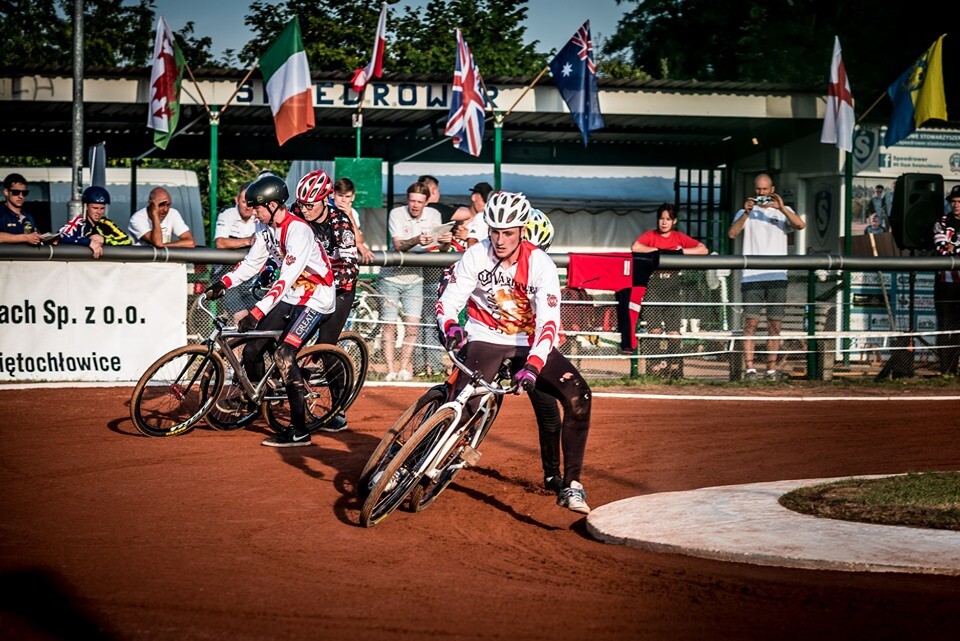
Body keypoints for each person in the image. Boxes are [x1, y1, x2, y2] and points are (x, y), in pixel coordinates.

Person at [436, 192, 592, 514]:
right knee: (462, 403)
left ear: (523, 231)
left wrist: (534, 366)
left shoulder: (540, 264)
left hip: (529, 341)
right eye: (495, 231)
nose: (500, 239)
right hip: (485, 336)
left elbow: (549, 324)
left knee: (576, 397)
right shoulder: (477, 254)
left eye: (508, 232)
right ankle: (414, 458)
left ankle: (568, 484)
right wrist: (451, 325)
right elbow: (448, 299)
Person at [203, 174, 337, 448]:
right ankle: (254, 395)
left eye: (257, 207)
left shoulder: (299, 230)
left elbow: (286, 277)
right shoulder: (265, 229)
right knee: (253, 349)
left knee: (284, 354)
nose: (253, 212)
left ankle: (299, 431)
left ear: (274, 205)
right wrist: (223, 283)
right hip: (292, 295)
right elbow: (252, 264)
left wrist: (256, 310)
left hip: (316, 296)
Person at [292, 169, 359, 431]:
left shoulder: (340, 223)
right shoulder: (296, 213)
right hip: (305, 284)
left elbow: (351, 267)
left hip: (339, 288)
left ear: (324, 200)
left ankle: (337, 410)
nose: (304, 209)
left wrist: (325, 281)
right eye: (301, 203)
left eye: (309, 204)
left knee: (326, 347)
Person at [727, 173, 805, 381]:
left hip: (777, 275)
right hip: (752, 275)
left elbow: (800, 225)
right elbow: (732, 233)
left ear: (772, 190)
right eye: (758, 190)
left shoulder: (782, 212)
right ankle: (750, 368)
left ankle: (771, 369)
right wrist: (746, 212)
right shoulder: (745, 212)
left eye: (764, 189)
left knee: (775, 324)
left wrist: (781, 207)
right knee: (750, 323)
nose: (761, 194)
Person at [380, 181, 450, 382]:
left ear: (427, 202)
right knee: (389, 325)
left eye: (419, 201)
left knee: (413, 326)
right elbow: (399, 245)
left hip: (415, 277)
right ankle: (390, 370)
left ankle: (404, 369)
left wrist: (445, 242)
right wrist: (417, 239)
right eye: (412, 200)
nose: (415, 205)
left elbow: (441, 249)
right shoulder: (396, 213)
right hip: (391, 276)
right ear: (408, 199)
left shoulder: (434, 216)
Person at [632, 203, 709, 377]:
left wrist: (681, 253)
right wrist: (659, 251)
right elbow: (636, 247)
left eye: (668, 219)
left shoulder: (678, 237)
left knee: (674, 331)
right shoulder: (651, 235)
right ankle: (654, 367)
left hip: (673, 285)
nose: (664, 223)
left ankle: (675, 366)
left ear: (674, 221)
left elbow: (703, 249)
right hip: (654, 285)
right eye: (661, 219)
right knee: (654, 331)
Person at [58, 186, 132, 257]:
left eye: (102, 208)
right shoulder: (78, 222)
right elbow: (59, 237)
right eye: (95, 208)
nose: (99, 212)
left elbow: (127, 240)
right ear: (85, 206)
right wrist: (88, 242)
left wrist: (105, 240)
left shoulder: (106, 223)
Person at [933, 186, 960, 375]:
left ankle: (954, 367)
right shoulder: (942, 222)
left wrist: (954, 247)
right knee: (945, 325)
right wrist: (948, 247)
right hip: (945, 283)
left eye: (959, 202)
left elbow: (951, 249)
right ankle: (946, 370)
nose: (956, 205)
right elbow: (941, 249)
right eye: (954, 201)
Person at [128, 187, 196, 248]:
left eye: (168, 205)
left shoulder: (173, 213)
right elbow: (157, 243)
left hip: (164, 260)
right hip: (143, 261)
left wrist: (165, 246)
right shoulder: (137, 219)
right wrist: (154, 214)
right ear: (150, 204)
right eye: (161, 205)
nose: (165, 209)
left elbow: (190, 242)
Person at [331, 177, 375, 264]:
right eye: (340, 195)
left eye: (347, 196)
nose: (343, 200)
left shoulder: (353, 213)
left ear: (353, 197)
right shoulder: (325, 209)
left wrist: (350, 217)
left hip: (342, 263)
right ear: (333, 194)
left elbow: (359, 240)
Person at [1, 172, 42, 245]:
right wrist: (26, 238)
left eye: (24, 193)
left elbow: (34, 236)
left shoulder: (28, 217)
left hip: (26, 256)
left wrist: (47, 240)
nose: (21, 196)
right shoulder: (1, 214)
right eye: (16, 192)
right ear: (6, 192)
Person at [213, 182, 256, 249]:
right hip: (230, 259)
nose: (248, 207)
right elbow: (219, 243)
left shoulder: (260, 216)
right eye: (244, 202)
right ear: (237, 200)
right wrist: (248, 241)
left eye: (251, 203)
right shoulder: (226, 214)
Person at [452, 182, 493, 248]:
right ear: (474, 197)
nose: (486, 206)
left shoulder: (489, 222)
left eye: (489, 202)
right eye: (484, 201)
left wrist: (469, 236)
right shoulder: (460, 216)